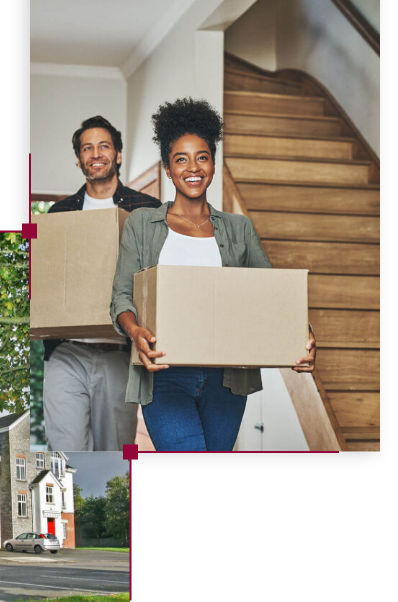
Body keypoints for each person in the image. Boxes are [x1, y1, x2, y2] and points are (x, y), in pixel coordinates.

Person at [110, 97, 317, 451]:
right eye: (181, 159)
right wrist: (134, 331)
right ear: (166, 167)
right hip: (165, 373)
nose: (193, 167)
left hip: (228, 379)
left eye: (202, 157)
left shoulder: (240, 229)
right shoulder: (143, 224)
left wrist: (302, 333)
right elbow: (122, 295)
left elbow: (272, 295)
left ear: (214, 164)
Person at [43, 115, 162, 451]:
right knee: (65, 452)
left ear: (118, 155)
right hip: (65, 351)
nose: (96, 154)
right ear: (79, 159)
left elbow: (157, 280)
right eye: (87, 148)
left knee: (116, 451)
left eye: (104, 146)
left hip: (119, 351)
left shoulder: (148, 210)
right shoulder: (59, 214)